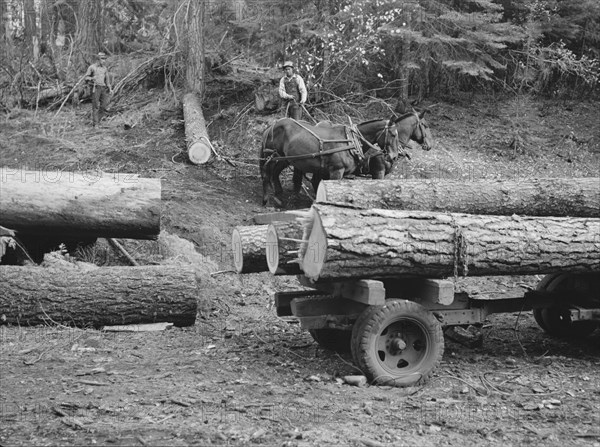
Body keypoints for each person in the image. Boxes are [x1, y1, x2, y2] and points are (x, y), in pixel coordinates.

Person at [84, 52, 112, 126]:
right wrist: (92, 78)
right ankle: (95, 124)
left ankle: (98, 121)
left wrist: (109, 87)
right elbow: (86, 77)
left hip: (103, 88)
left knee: (104, 106)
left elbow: (107, 79)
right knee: (95, 106)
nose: (104, 61)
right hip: (95, 88)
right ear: (98, 59)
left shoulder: (104, 68)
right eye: (102, 59)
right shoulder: (92, 67)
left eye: (105, 59)